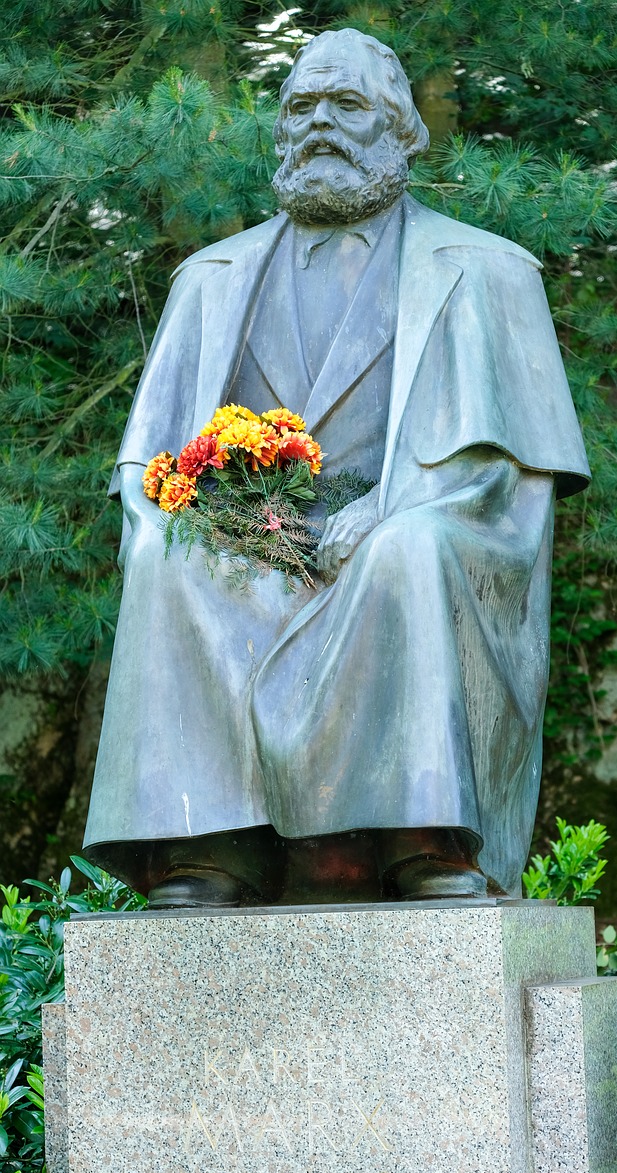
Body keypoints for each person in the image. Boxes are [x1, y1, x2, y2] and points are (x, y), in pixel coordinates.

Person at [83, 29, 590, 908]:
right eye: (302, 107)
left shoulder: (489, 273)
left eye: (348, 105)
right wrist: (211, 520)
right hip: (251, 539)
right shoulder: (208, 279)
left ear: (404, 131)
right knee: (170, 553)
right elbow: (145, 462)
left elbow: (517, 481)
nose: (321, 124)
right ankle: (213, 847)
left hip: (406, 530)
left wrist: (405, 504)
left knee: (409, 553)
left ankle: (422, 838)